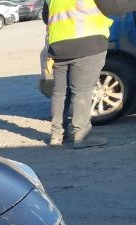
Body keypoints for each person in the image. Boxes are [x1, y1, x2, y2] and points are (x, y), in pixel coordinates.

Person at [44, 0, 136, 148]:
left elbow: (45, 17)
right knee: (82, 91)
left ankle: (57, 135)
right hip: (87, 42)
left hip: (58, 45)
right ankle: (81, 136)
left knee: (60, 92)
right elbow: (114, 6)